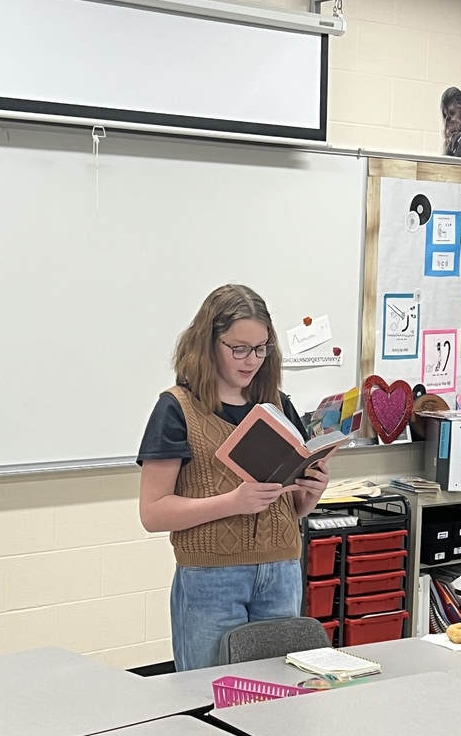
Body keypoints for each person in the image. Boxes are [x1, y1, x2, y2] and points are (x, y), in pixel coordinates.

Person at [137, 283, 329, 670]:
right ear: (208, 344)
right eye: (238, 348)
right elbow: (153, 513)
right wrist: (233, 503)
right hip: (212, 578)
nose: (251, 360)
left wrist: (312, 493)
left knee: (278, 695)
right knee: (209, 696)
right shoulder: (177, 409)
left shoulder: (277, 404)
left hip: (282, 571)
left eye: (261, 348)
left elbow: (291, 506)